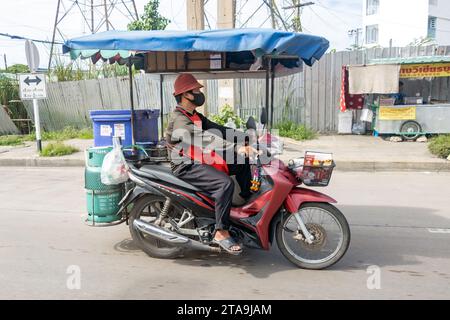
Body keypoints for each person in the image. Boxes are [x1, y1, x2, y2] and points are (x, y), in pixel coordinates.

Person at [165, 73, 256, 255]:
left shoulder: (194, 115)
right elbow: (204, 139)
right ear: (186, 94)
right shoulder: (180, 120)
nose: (199, 92)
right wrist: (235, 147)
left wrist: (246, 137)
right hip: (185, 165)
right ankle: (221, 232)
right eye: (196, 90)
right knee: (224, 184)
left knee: (242, 161)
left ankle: (246, 205)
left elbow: (218, 130)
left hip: (200, 157)